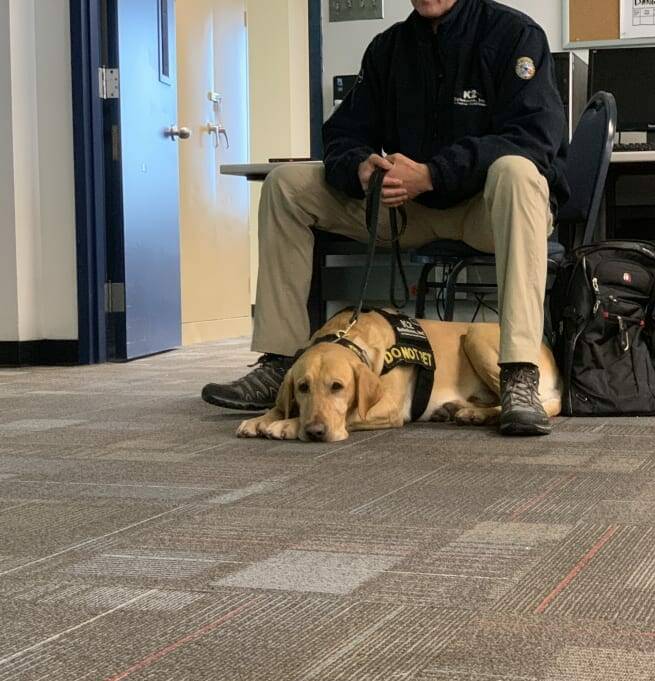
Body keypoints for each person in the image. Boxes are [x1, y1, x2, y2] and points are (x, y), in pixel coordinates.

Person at [202, 0, 568, 436]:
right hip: (404, 209)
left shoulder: (515, 36)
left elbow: (534, 139)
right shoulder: (387, 49)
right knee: (285, 184)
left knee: (518, 172)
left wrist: (433, 174)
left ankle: (518, 374)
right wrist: (358, 165)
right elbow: (341, 133)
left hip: (485, 211)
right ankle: (281, 361)